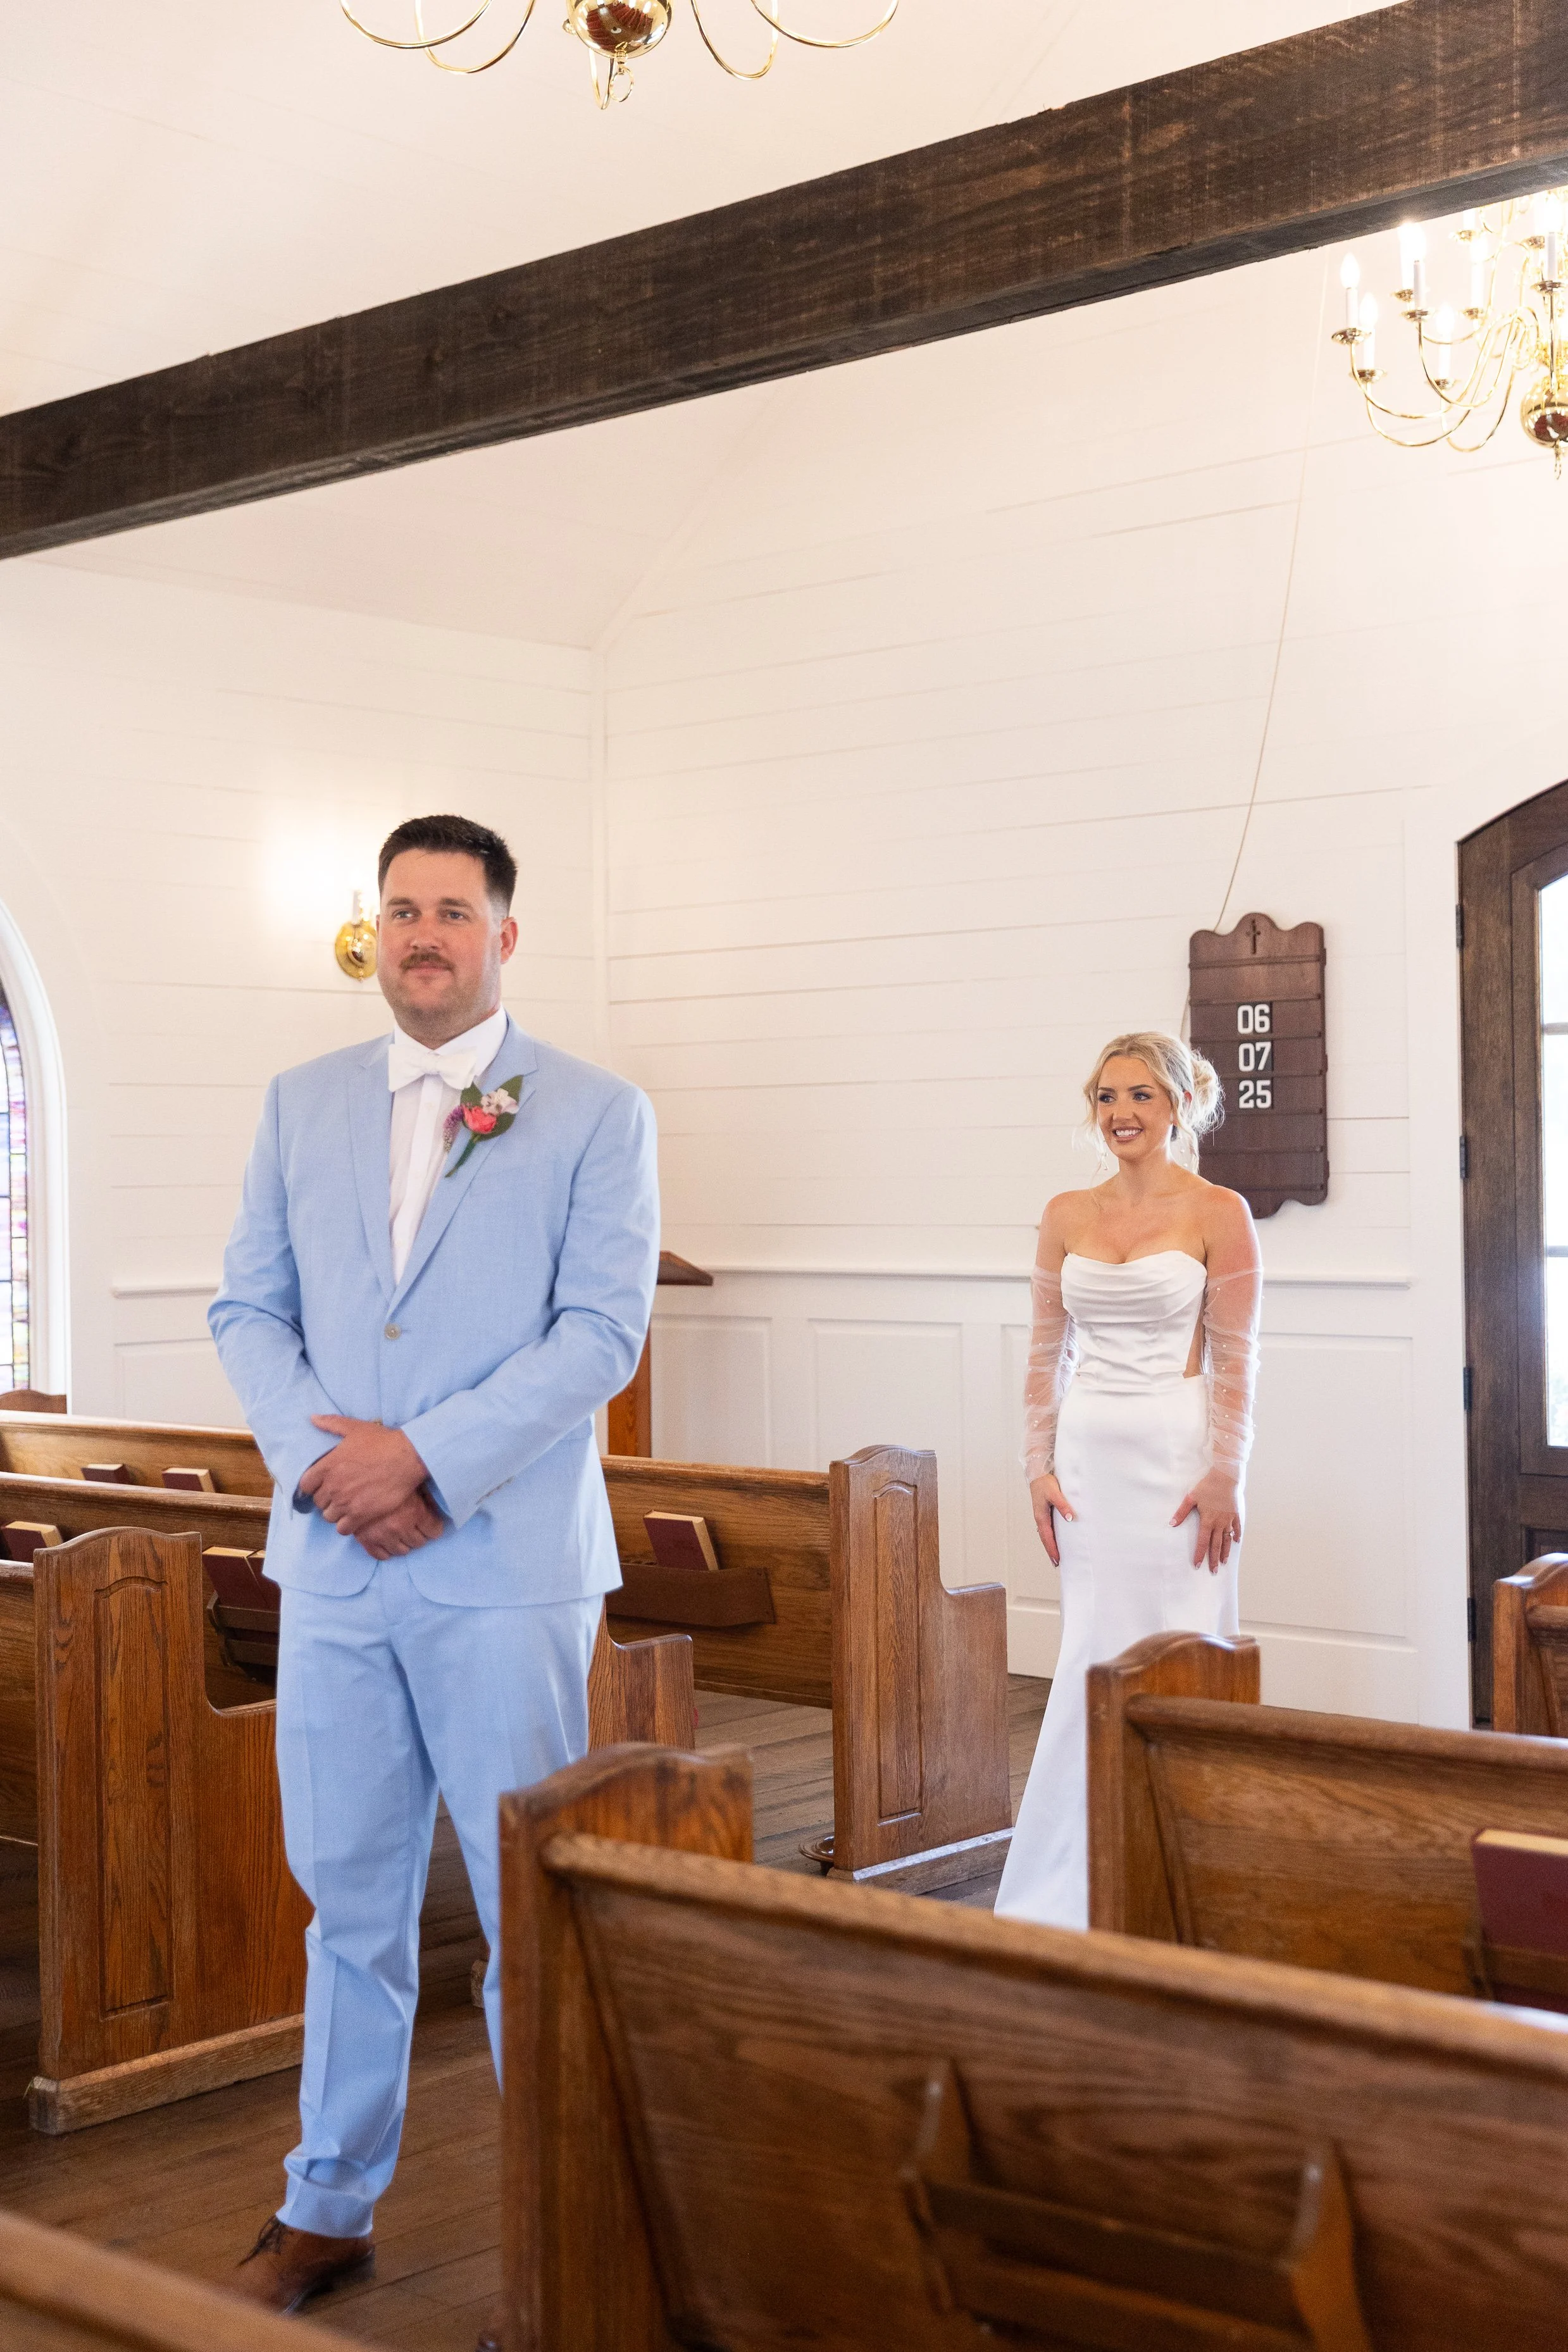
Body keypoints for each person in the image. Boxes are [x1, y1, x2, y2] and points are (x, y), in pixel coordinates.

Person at [209, 813, 658, 2341]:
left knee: (528, 1903)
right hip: (334, 1566)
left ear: (504, 937)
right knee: (346, 1899)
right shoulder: (301, 1100)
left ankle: (559, 2232)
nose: (423, 936)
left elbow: (601, 1336)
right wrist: (327, 1465)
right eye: (400, 911)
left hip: (502, 1563)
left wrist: (425, 1461)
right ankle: (327, 2204)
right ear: (374, 931)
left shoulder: (596, 1111)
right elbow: (246, 1310)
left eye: (452, 912)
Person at [993, 1030, 1260, 1931]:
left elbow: (1236, 1356)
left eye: (1140, 1096)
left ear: (1178, 1105)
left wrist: (1226, 1470)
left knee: (1179, 1650)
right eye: (1107, 1097)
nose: (1121, 1114)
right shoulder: (1065, 1211)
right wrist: (1035, 1464)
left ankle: (1182, 1880)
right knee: (1090, 1653)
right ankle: (1067, 1880)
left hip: (1180, 1457)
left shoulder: (1218, 1211)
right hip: (1087, 1462)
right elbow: (1043, 1349)